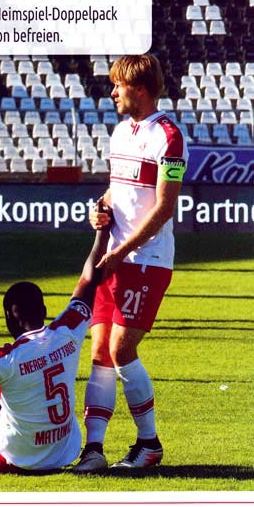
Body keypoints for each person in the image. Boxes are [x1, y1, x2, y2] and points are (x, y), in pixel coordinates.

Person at [73, 54, 188, 473]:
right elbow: (115, 189)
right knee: (100, 351)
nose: (113, 93)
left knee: (122, 348)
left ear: (139, 89)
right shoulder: (121, 131)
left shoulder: (169, 136)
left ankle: (149, 444)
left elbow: (164, 208)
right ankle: (94, 449)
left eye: (118, 85)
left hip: (146, 259)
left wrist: (121, 251)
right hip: (114, 256)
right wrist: (100, 208)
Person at [0, 223, 111, 473]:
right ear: (44, 311)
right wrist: (102, 231)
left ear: (8, 318)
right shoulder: (68, 330)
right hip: (63, 453)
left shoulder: (2, 359)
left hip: (10, 459)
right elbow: (89, 279)